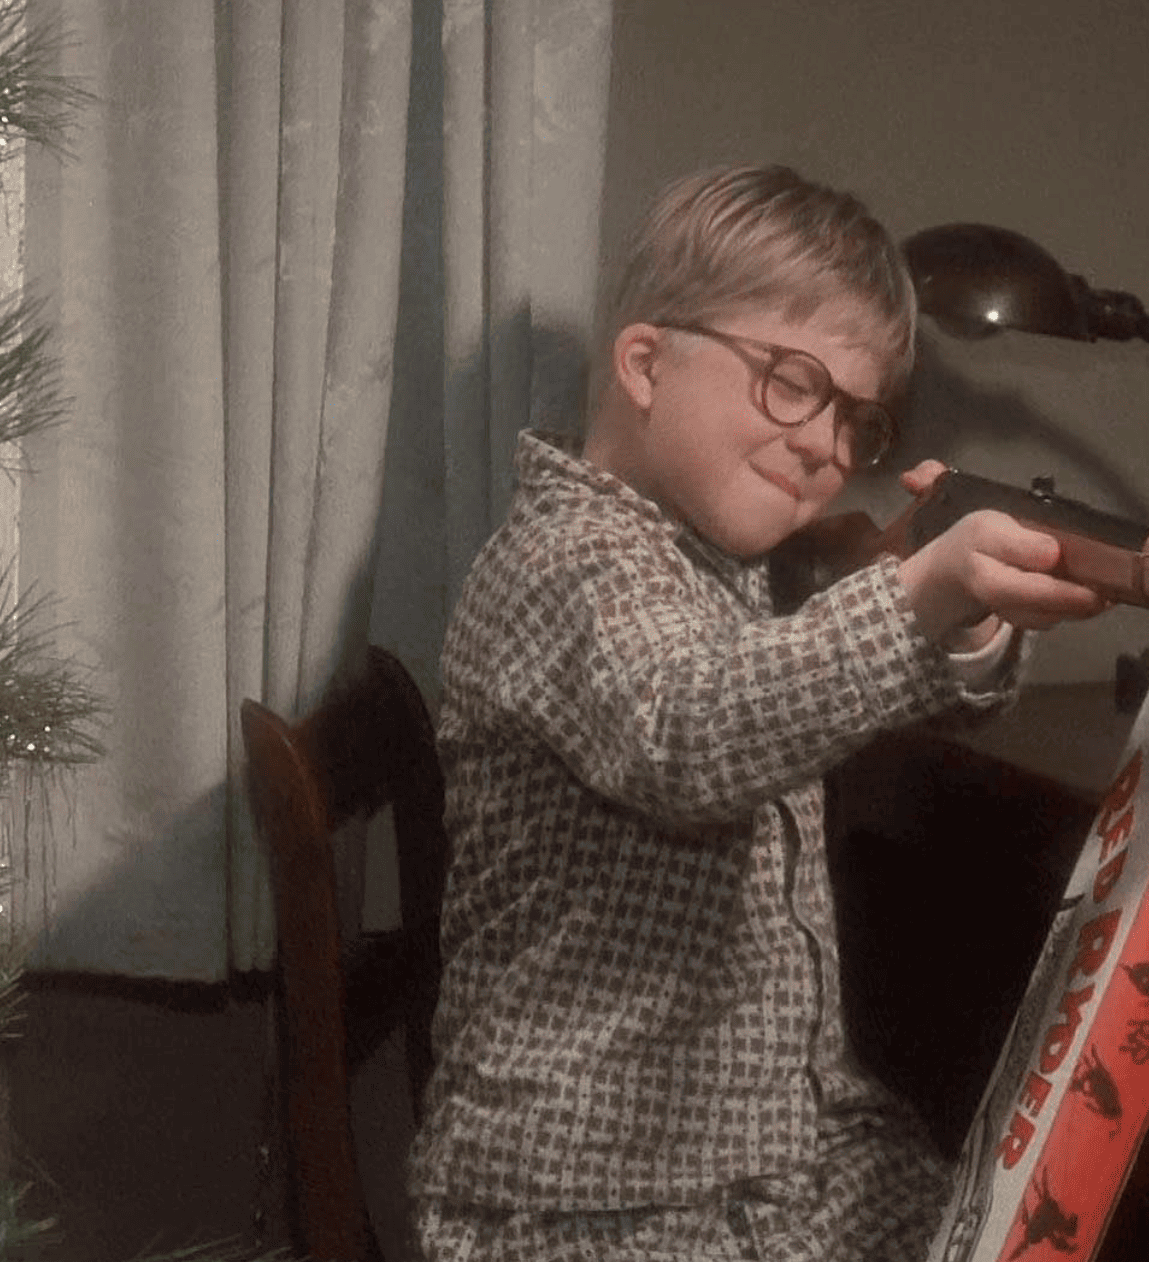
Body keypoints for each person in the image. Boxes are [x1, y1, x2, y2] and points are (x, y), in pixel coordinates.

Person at [404, 163, 1108, 1262]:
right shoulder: (563, 561)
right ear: (644, 362)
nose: (827, 445)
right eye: (791, 382)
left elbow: (814, 679)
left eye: (859, 420)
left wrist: (962, 620)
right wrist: (917, 595)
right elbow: (692, 731)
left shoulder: (708, 564)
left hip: (766, 1161)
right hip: (581, 1204)